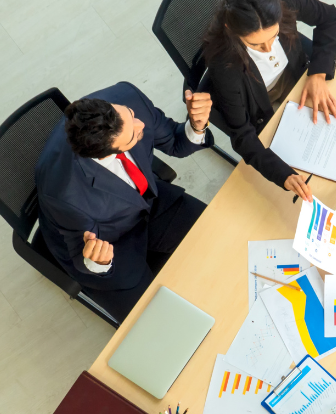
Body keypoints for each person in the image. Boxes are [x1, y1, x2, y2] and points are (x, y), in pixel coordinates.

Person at [34, 82, 213, 320]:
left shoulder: (129, 99)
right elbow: (79, 254)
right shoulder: (65, 195)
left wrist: (196, 126)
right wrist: (100, 262)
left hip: (149, 204)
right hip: (110, 244)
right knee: (155, 320)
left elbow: (174, 142)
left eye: (129, 115)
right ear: (107, 152)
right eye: (132, 135)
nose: (140, 124)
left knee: (218, 234)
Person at [202, 0, 336, 202]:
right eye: (256, 45)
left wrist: (318, 74)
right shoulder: (225, 67)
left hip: (297, 77)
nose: (268, 50)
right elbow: (242, 136)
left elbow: (329, 17)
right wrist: (282, 175)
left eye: (273, 36)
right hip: (261, 103)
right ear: (232, 31)